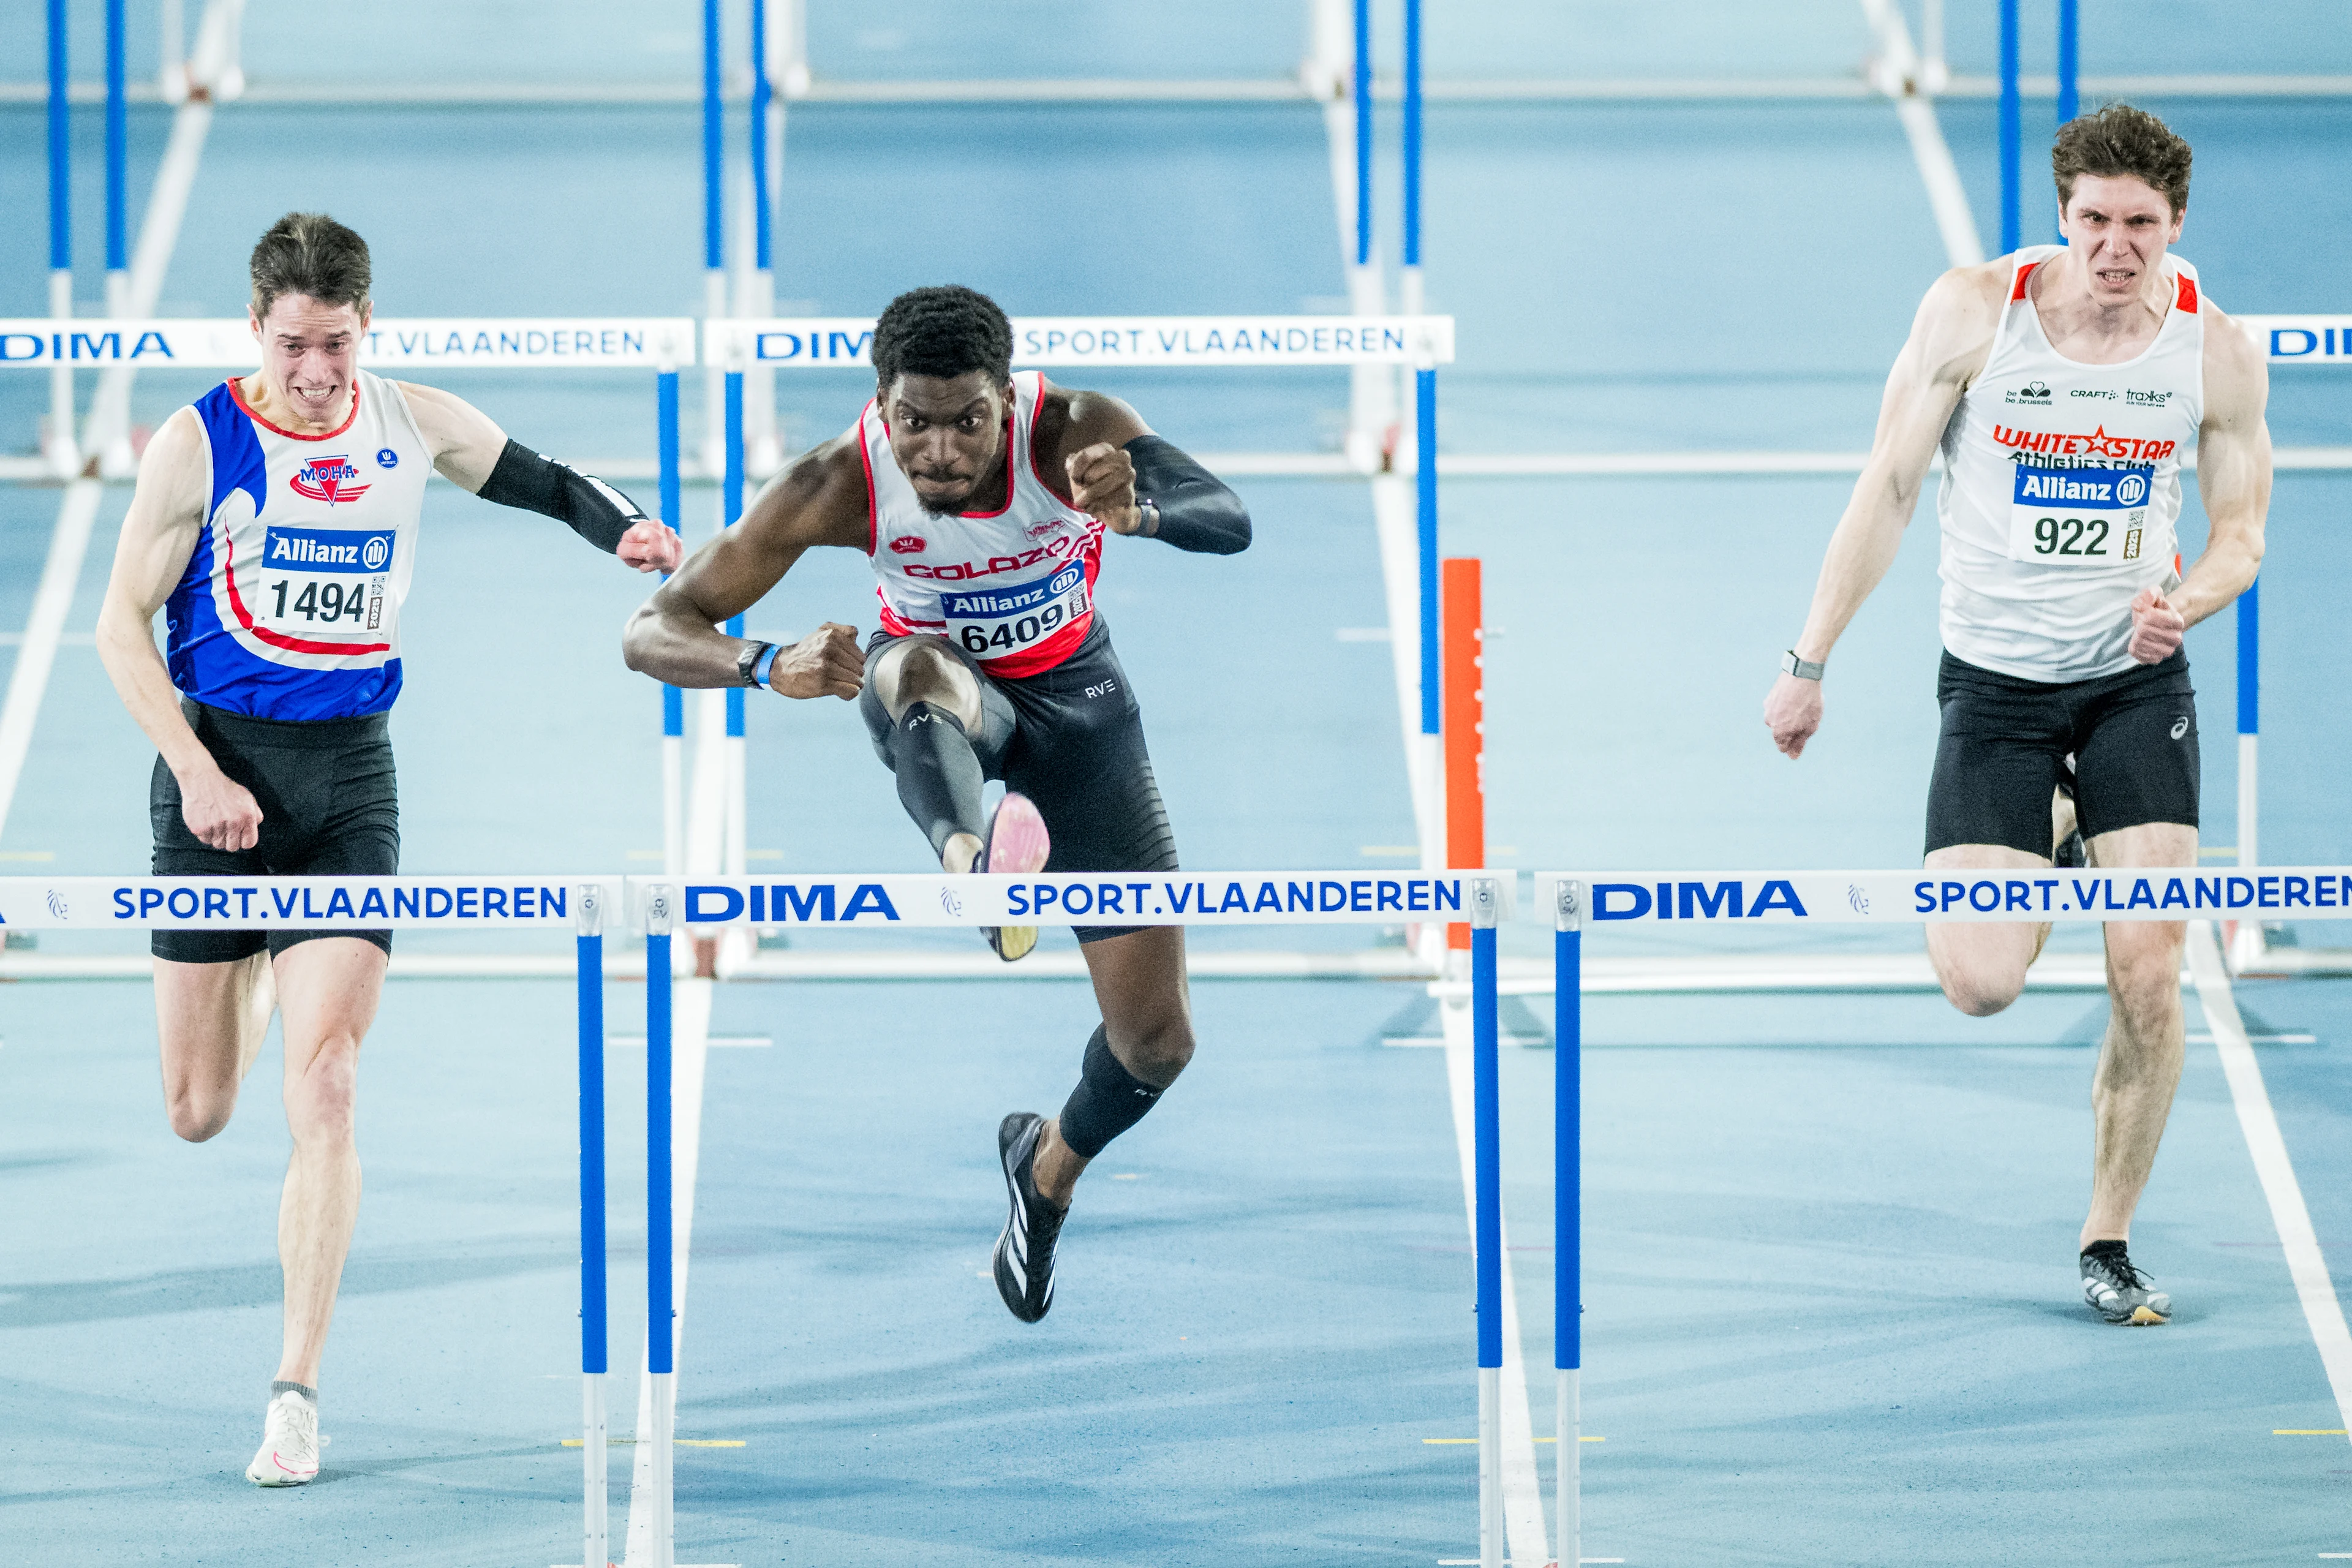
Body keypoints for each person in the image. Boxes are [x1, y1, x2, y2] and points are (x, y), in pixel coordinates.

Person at [94, 211, 682, 1484]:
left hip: (349, 783)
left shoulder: (406, 420)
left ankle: (295, 1390)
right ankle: (255, 960)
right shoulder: (198, 445)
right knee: (200, 1110)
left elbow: (548, 476)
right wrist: (196, 775)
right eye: (295, 345)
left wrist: (625, 532)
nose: (317, 373)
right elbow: (117, 631)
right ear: (256, 327)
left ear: (371, 327)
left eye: (340, 345)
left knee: (331, 1086)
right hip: (215, 773)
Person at [622, 284, 1251, 1323]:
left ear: (1009, 402)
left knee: (1158, 1046)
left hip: (1080, 703)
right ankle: (973, 870)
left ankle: (1043, 1174)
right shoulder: (838, 482)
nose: (943, 452)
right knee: (911, 669)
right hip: (945, 702)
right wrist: (764, 660)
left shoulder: (1075, 436)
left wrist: (1138, 509)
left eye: (970, 422)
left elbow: (1229, 520)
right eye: (916, 422)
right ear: (881, 406)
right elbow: (653, 626)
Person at [1763, 104, 2270, 1325]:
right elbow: (1886, 488)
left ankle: (2107, 1237)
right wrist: (1808, 658)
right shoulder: (1972, 312)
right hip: (1994, 688)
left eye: (2140, 224)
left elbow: (2242, 532)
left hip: (2133, 687)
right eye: (2094, 219)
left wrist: (2184, 603)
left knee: (2151, 970)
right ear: (2062, 215)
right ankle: (2049, 826)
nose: (2116, 246)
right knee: (1980, 981)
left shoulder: (2214, 350)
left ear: (2176, 224)